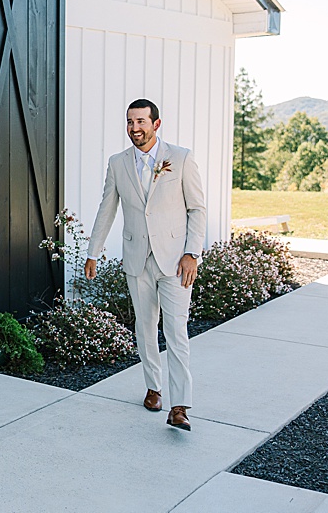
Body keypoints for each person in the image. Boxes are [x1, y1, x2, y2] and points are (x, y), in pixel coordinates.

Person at [84, 99, 206, 431]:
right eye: (129, 122)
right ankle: (154, 387)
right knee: (145, 326)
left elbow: (197, 209)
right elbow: (106, 209)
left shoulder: (180, 158)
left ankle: (180, 405)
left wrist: (191, 253)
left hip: (176, 261)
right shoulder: (117, 163)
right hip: (137, 258)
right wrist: (93, 252)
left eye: (141, 121)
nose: (135, 128)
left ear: (156, 123)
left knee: (177, 330)